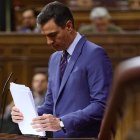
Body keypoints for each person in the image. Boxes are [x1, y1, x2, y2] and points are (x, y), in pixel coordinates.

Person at [11, 1, 112, 138]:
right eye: (45, 36)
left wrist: (62, 122)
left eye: (52, 35)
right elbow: (50, 105)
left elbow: (102, 105)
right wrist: (26, 113)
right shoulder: (54, 58)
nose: (48, 42)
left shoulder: (95, 54)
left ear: (69, 26)